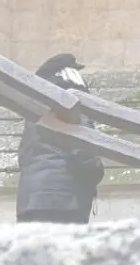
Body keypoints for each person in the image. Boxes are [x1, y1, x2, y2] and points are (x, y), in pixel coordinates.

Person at [16, 54, 104, 224]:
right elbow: (83, 150)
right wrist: (97, 171)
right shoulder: (71, 106)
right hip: (66, 201)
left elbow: (25, 155)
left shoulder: (36, 110)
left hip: (30, 200)